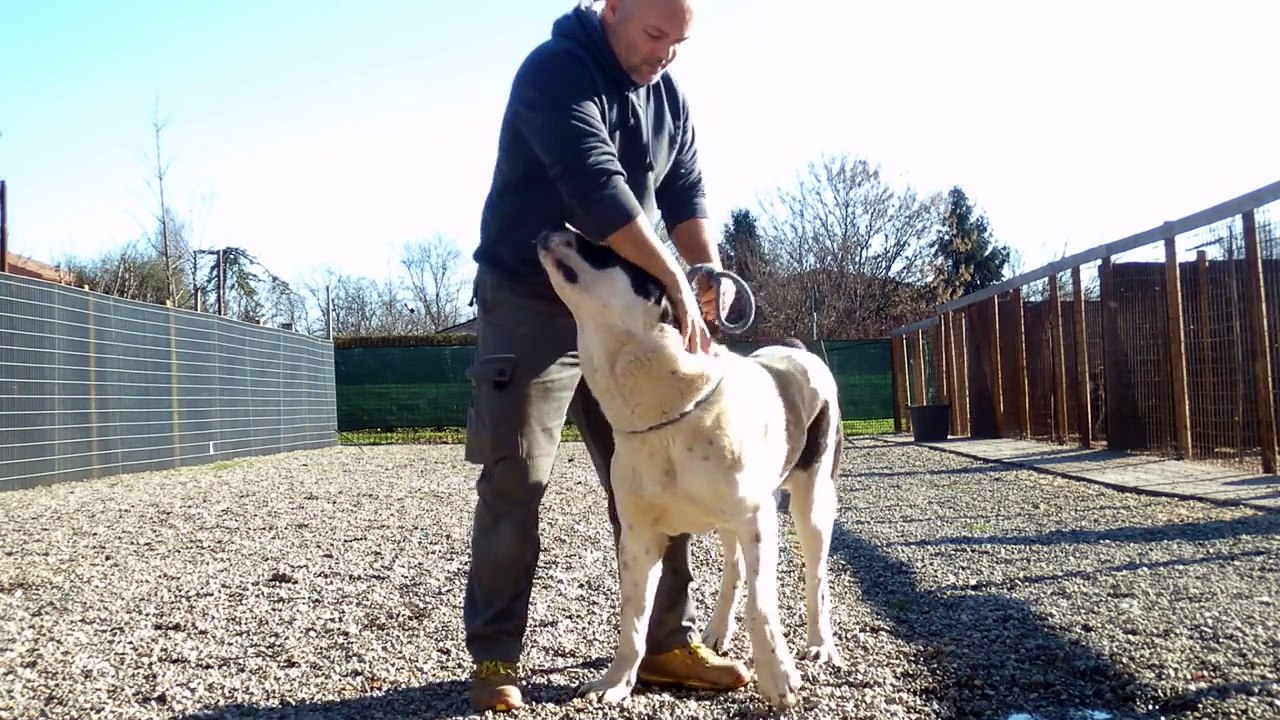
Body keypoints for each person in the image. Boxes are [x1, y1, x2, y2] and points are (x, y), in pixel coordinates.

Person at [461, 0, 748, 712]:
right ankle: (495, 658)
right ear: (613, 9)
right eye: (655, 36)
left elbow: (684, 191)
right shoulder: (555, 72)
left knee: (661, 468)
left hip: (622, 316)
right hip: (531, 302)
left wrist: (704, 273)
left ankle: (666, 645)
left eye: (679, 43)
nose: (665, 56)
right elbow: (597, 193)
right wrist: (675, 281)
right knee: (516, 476)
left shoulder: (667, 96)